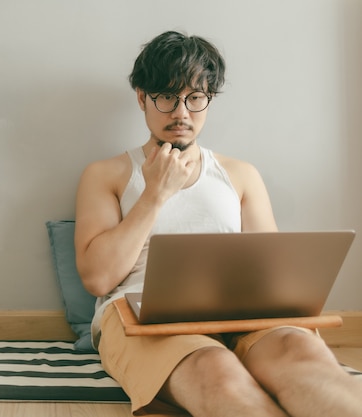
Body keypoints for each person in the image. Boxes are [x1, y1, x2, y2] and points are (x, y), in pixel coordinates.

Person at [74, 30, 362, 417]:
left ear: (209, 99)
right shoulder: (105, 174)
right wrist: (155, 194)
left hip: (244, 313)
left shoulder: (240, 174)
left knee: (304, 360)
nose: (181, 113)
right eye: (166, 97)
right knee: (217, 373)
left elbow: (277, 275)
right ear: (142, 97)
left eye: (194, 98)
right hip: (139, 316)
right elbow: (98, 279)